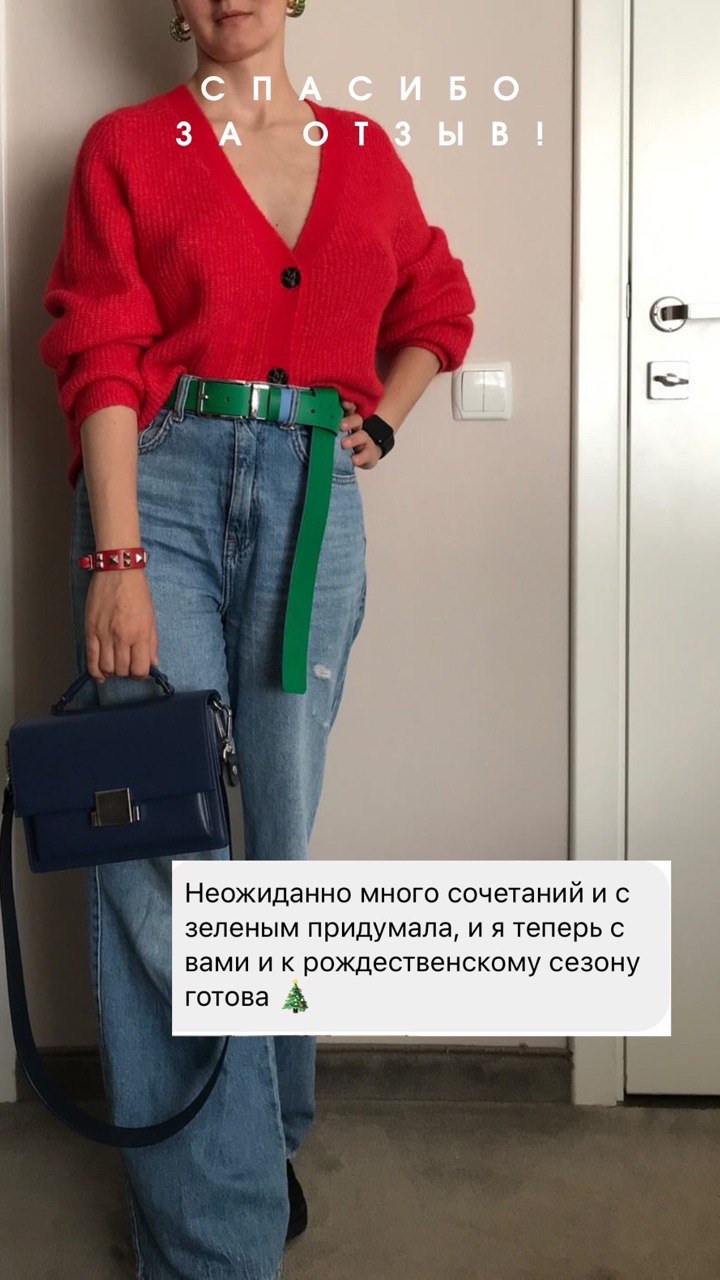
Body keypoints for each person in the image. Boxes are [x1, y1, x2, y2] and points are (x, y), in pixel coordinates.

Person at [38, 2, 476, 1277]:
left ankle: (260, 1129)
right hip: (159, 492)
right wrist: (117, 561)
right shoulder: (126, 147)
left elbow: (439, 303)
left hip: (312, 504)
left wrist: (384, 417)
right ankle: (212, 1238)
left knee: (275, 843)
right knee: (161, 848)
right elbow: (100, 350)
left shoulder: (367, 153)